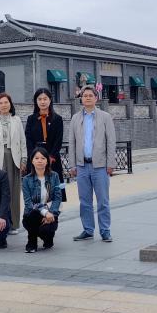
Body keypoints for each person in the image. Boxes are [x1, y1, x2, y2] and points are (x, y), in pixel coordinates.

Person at [68, 86, 116, 242]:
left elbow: (111, 141)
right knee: (84, 201)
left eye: (90, 95)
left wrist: (110, 163)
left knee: (103, 201)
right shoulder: (75, 118)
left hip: (100, 166)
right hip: (82, 166)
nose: (87, 98)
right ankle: (88, 230)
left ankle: (105, 231)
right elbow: (72, 143)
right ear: (81, 99)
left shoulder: (105, 117)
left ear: (96, 98)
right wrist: (72, 165)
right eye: (85, 95)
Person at [0, 92, 24, 235]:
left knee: (14, 192)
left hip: (14, 158)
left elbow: (22, 142)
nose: (3, 105)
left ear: (10, 104)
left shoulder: (17, 120)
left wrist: (24, 159)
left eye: (6, 102)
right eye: (0, 103)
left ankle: (13, 224)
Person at [24, 88, 66, 202]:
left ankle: (54, 210)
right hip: (35, 158)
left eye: (45, 99)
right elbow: (28, 139)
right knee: (35, 194)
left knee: (54, 192)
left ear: (50, 100)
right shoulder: (31, 119)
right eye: (39, 99)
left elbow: (58, 140)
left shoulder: (57, 119)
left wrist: (51, 157)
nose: (42, 102)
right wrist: (33, 158)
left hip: (52, 158)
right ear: (36, 101)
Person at [21, 147, 62, 253]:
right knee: (33, 215)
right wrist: (44, 212)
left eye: (43, 158)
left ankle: (48, 238)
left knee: (46, 232)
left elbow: (57, 198)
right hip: (32, 215)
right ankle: (32, 243)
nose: (40, 161)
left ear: (47, 161)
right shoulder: (26, 180)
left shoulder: (54, 176)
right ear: (32, 161)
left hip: (50, 213)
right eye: (37, 158)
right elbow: (28, 203)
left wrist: (51, 213)